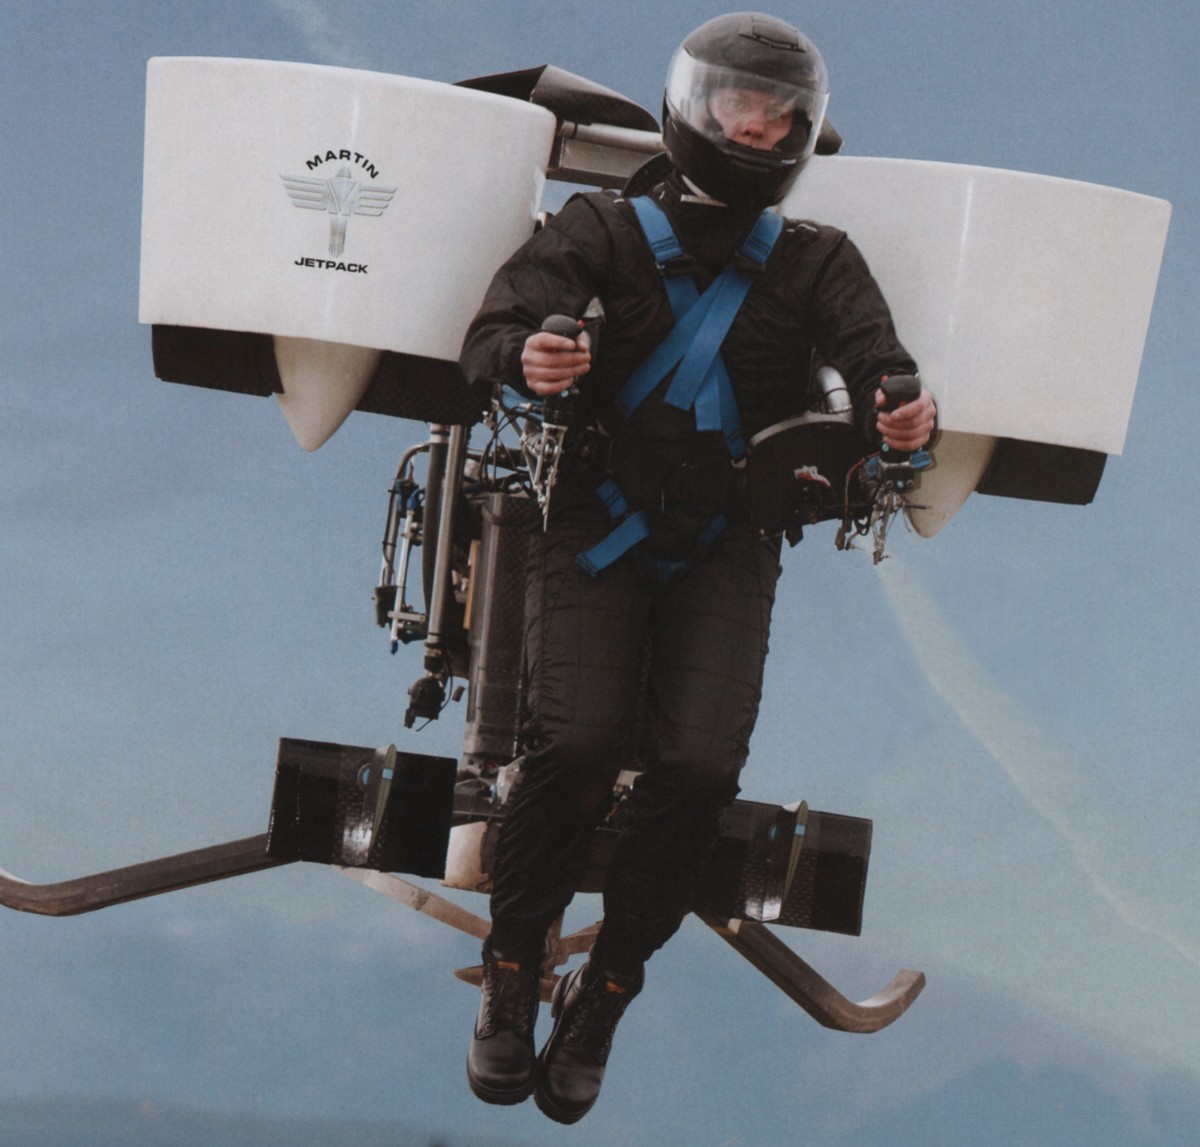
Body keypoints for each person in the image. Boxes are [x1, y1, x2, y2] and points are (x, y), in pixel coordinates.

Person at [458, 11, 936, 1125]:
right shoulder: (597, 229)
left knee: (699, 770)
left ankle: (608, 988)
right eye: (738, 106)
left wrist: (905, 415)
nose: (756, 127)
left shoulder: (820, 260)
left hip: (730, 538)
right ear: (693, 108)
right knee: (574, 745)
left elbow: (882, 364)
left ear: (803, 134)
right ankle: (512, 968)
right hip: (596, 520)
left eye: (778, 115)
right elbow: (488, 341)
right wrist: (531, 358)